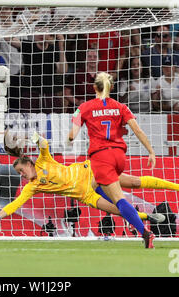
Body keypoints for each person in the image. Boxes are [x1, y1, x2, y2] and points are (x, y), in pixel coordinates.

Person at [0, 130, 179, 232]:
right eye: (21, 175)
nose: (22, 176)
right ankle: (147, 216)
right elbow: (15, 204)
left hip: (91, 173)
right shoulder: (33, 186)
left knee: (135, 183)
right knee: (118, 210)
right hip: (86, 195)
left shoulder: (44, 161)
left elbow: (43, 143)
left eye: (22, 171)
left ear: (29, 164)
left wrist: (30, 137)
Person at [67, 72, 158, 248]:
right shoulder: (120, 107)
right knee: (95, 186)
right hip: (119, 156)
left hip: (101, 157)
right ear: (112, 87)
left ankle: (145, 232)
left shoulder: (84, 107)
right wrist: (151, 151)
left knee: (118, 199)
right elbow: (137, 130)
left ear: (94, 87)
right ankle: (130, 213)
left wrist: (68, 140)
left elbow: (73, 135)